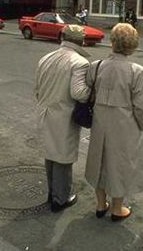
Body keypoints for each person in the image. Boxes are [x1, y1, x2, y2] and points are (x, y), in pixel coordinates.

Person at [85, 23, 143, 222]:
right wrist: (141, 124)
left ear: (112, 42)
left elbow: (89, 90)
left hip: (100, 122)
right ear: (132, 45)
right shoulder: (136, 71)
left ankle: (99, 204)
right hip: (124, 125)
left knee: (100, 161)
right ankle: (117, 208)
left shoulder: (96, 66)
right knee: (119, 164)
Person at [34, 24, 91, 212]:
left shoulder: (46, 58)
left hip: (45, 113)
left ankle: (52, 193)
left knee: (50, 155)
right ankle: (61, 199)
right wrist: (93, 90)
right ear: (80, 41)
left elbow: (37, 89)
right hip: (63, 118)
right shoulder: (80, 62)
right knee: (63, 159)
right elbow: (79, 93)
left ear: (63, 37)